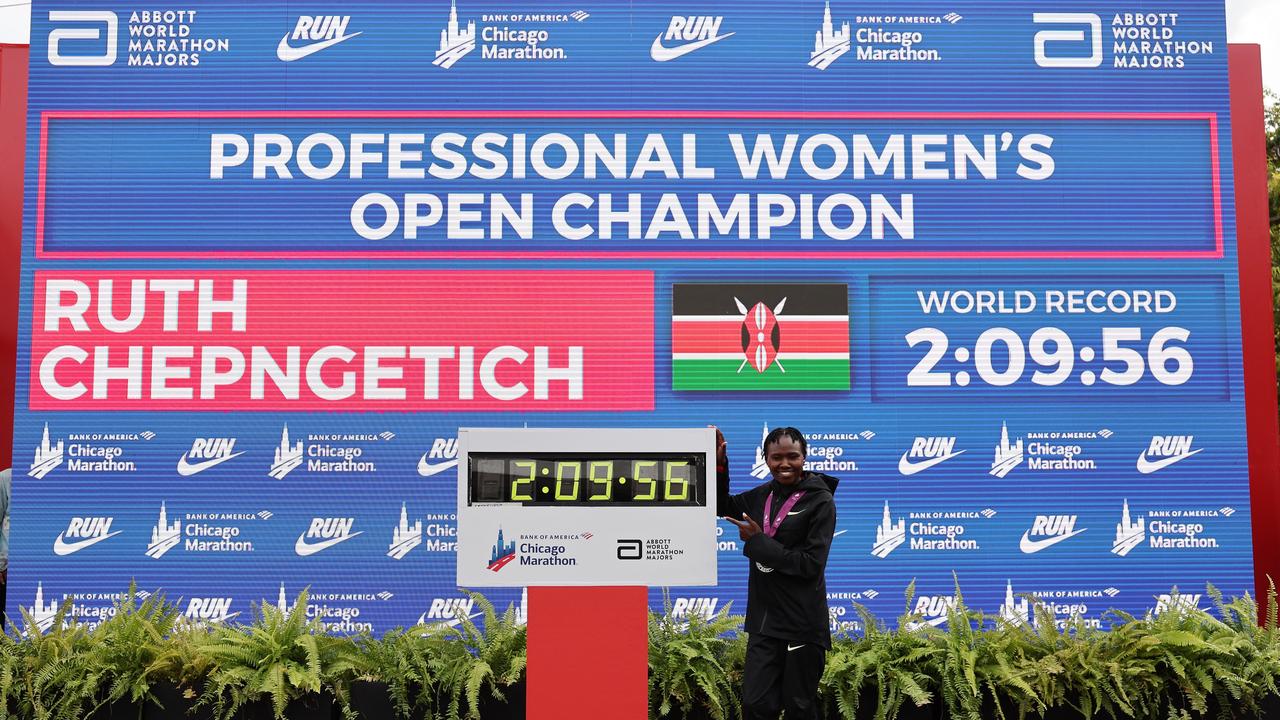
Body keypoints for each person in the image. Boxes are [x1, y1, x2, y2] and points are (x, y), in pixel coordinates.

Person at [716, 426, 838, 720]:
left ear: (804, 457)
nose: (785, 464)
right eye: (776, 457)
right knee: (756, 705)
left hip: (803, 623)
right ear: (765, 459)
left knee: (799, 707)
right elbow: (722, 506)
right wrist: (719, 465)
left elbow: (810, 565)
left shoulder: (820, 501)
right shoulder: (762, 496)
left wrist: (759, 542)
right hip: (765, 622)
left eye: (792, 456)